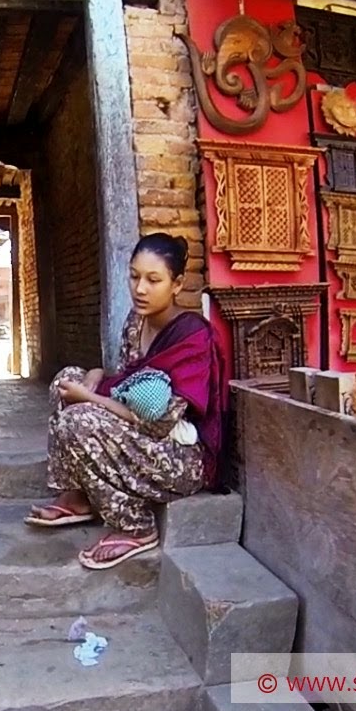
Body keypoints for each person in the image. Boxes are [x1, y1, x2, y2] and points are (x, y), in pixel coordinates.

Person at [25, 233, 226, 570]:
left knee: (79, 419)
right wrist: (95, 374)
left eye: (153, 280)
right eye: (134, 276)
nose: (140, 289)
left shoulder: (193, 337)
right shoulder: (138, 321)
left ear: (176, 284)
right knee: (65, 378)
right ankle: (79, 497)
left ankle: (136, 526)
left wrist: (89, 397)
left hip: (179, 456)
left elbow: (157, 421)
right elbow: (130, 381)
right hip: (142, 436)